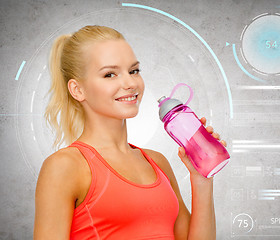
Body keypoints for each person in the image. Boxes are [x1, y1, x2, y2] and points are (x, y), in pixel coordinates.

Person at [34, 25, 227, 239]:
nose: (130, 83)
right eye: (110, 74)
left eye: (133, 71)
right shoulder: (65, 166)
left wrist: (202, 180)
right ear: (77, 90)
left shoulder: (157, 162)